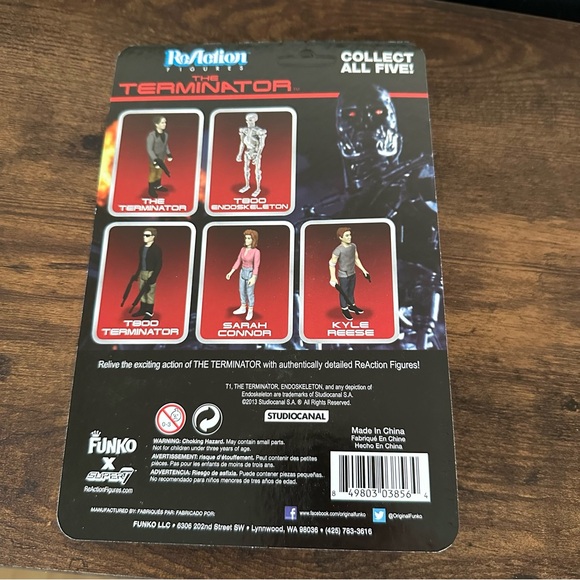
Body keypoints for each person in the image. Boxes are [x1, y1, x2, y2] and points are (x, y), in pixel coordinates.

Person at [328, 227, 369, 321]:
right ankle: (344, 309)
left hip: (352, 273)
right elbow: (331, 264)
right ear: (340, 237)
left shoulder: (353, 246)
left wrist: (364, 270)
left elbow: (356, 259)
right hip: (343, 275)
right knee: (344, 293)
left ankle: (351, 306)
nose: (349, 237)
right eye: (346, 235)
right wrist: (333, 277)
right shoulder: (338, 250)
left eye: (350, 235)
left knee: (351, 291)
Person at [226, 229, 260, 321]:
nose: (247, 240)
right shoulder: (242, 249)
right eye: (246, 238)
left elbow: (256, 265)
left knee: (249, 292)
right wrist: (231, 272)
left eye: (249, 238)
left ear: (253, 239)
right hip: (242, 271)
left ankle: (250, 310)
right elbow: (238, 261)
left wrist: (254, 277)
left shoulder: (256, 252)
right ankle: (243, 307)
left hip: (250, 273)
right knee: (241, 290)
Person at [131, 228, 162, 319]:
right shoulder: (142, 248)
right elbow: (141, 262)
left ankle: (149, 312)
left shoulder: (156, 249)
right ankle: (142, 309)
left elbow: (159, 264)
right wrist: (137, 274)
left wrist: (154, 276)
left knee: (150, 293)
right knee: (142, 292)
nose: (144, 237)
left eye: (147, 235)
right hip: (142, 272)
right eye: (144, 235)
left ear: (153, 237)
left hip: (150, 273)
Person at [236, 113, 267, 197]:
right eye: (247, 120)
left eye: (250, 120)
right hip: (247, 152)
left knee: (257, 171)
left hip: (255, 152)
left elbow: (262, 144)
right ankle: (247, 185)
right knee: (246, 169)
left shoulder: (259, 131)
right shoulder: (244, 130)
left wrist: (258, 155)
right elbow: (242, 143)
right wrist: (239, 154)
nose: (248, 122)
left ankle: (258, 188)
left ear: (254, 120)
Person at [146, 116, 173, 198]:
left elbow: (165, 145)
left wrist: (168, 154)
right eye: (162, 122)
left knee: (159, 173)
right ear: (156, 124)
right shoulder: (151, 136)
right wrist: (155, 159)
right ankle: (151, 189)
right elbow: (149, 149)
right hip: (154, 159)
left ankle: (157, 186)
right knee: (153, 173)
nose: (164, 124)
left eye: (165, 122)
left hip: (162, 157)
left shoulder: (166, 135)